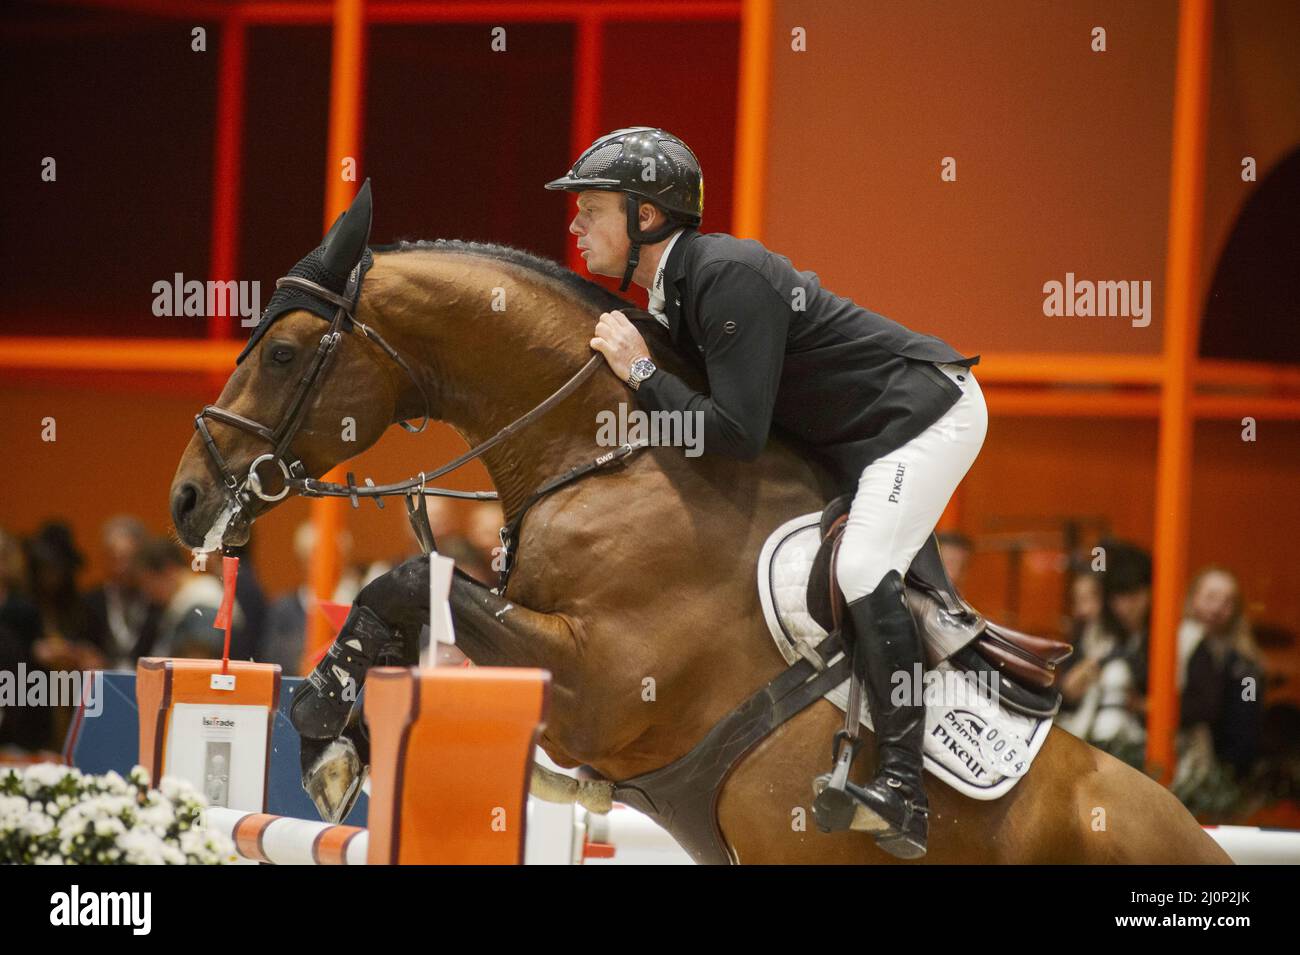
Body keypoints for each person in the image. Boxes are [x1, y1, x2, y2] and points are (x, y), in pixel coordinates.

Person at [545, 127, 986, 857]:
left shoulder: (724, 274)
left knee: (859, 565)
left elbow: (737, 434)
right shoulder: (673, 297)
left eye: (591, 207)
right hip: (853, 438)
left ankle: (904, 788)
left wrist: (646, 376)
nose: (576, 223)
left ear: (646, 216)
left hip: (924, 413)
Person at [79, 515, 160, 670]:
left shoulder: (157, 600)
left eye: (126, 559)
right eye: (113, 559)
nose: (120, 567)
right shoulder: (90, 601)